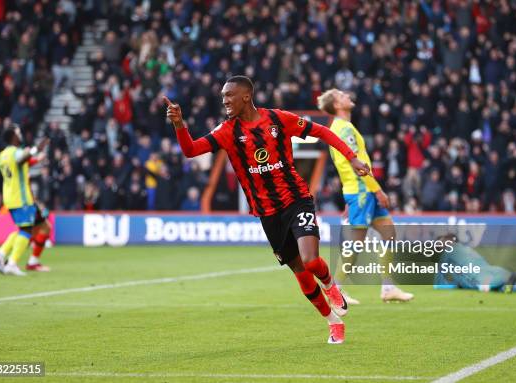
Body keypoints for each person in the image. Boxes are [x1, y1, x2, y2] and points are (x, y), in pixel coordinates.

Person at [165, 75, 372, 344]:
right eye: (223, 96)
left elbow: (322, 131)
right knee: (298, 270)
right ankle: (333, 322)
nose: (224, 101)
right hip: (267, 212)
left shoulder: (277, 119)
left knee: (310, 260)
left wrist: (352, 157)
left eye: (229, 96)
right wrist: (179, 123)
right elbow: (191, 150)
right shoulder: (227, 131)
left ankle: (331, 286)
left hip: (296, 198)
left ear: (246, 96)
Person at [317, 89, 414, 303]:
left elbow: (347, 165)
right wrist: (377, 190)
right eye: (341, 95)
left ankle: (388, 288)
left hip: (360, 190)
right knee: (356, 244)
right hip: (362, 191)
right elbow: (356, 166)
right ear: (337, 105)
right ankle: (336, 291)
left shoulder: (341, 128)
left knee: (388, 233)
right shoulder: (343, 129)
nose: (347, 96)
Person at [0, 126, 50, 276]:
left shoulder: (2, 155)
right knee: (26, 230)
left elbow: (4, 166)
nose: (20, 134)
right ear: (13, 137)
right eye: (18, 132)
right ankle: (11, 261)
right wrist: (37, 148)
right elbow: (21, 158)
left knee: (29, 229)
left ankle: (2, 254)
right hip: (21, 198)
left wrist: (34, 159)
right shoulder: (16, 152)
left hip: (10, 197)